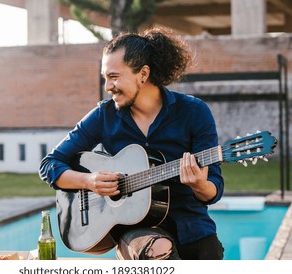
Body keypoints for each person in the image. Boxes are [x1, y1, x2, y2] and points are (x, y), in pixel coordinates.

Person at [39, 27, 224, 260]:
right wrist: (89, 181)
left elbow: (214, 187)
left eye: (114, 77)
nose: (108, 87)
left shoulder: (194, 112)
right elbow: (49, 164)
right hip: (135, 231)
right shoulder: (103, 115)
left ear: (143, 74)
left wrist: (200, 184)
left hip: (191, 226)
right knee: (157, 251)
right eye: (105, 78)